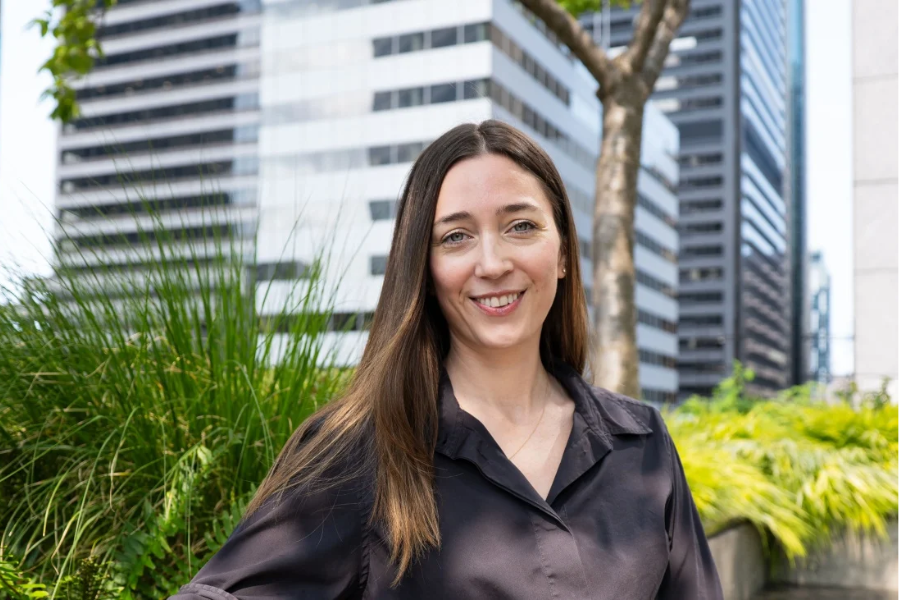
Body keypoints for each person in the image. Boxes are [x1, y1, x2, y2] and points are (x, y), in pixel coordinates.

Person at [170, 120, 723, 599]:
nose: (492, 263)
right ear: (424, 269)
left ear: (562, 253)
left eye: (521, 226)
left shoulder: (642, 443)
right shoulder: (361, 451)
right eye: (456, 237)